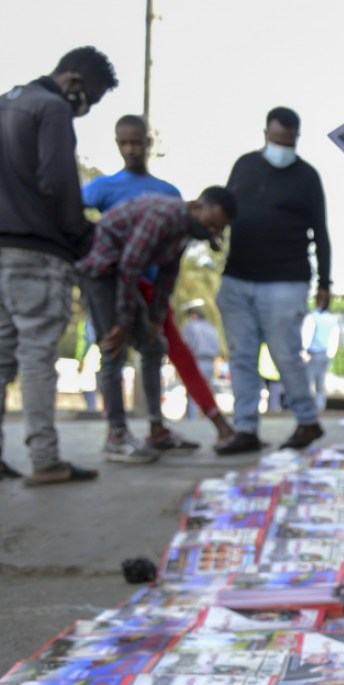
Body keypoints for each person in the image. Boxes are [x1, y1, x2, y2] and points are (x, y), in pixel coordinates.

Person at [0, 46, 117, 485]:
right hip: (37, 253)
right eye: (93, 98)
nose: (87, 108)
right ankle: (46, 459)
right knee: (36, 357)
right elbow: (57, 182)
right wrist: (81, 235)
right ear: (74, 82)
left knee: (1, 358)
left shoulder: (7, 101)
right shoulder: (51, 109)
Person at [82, 114, 235, 447]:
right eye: (211, 224)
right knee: (113, 346)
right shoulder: (163, 215)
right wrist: (123, 322)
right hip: (104, 273)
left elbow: (168, 274)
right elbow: (128, 268)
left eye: (218, 229)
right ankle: (117, 435)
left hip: (131, 279)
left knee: (154, 345)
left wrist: (153, 318)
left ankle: (157, 431)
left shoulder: (185, 230)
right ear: (197, 207)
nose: (213, 233)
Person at [216, 106, 330, 454]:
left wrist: (326, 282)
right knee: (241, 356)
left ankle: (308, 421)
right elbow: (225, 207)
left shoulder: (307, 177)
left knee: (286, 354)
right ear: (265, 133)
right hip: (238, 276)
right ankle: (246, 428)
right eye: (278, 139)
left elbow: (321, 233)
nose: (283, 147)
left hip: (286, 280)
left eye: (290, 141)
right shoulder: (244, 165)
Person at [180, 299, 221, 417]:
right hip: (210, 362)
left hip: (196, 360)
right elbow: (217, 347)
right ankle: (212, 417)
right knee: (209, 391)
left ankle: (193, 418)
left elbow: (185, 345)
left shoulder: (190, 327)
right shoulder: (212, 329)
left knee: (194, 392)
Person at [301, 288, 339, 412]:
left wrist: (304, 350)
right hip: (325, 354)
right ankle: (320, 406)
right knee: (320, 382)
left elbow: (306, 334)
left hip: (312, 353)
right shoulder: (332, 319)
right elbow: (334, 337)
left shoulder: (312, 316)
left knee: (309, 381)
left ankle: (308, 408)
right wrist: (331, 354)